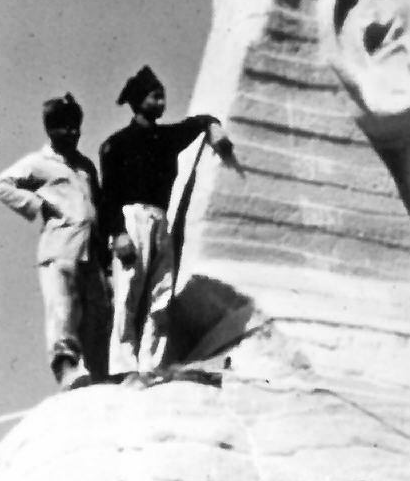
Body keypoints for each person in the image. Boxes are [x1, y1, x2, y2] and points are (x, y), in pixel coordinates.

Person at [100, 67, 235, 381]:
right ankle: (124, 366)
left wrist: (214, 127)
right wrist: (118, 234)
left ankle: (153, 364)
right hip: (131, 218)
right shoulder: (116, 144)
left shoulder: (165, 138)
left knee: (160, 295)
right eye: (153, 94)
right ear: (137, 102)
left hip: (161, 219)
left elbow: (198, 122)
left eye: (161, 93)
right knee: (129, 294)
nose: (160, 99)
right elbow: (107, 196)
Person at [0, 94, 109, 389]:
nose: (72, 133)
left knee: (98, 313)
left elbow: (96, 204)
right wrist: (36, 204)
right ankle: (65, 367)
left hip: (90, 250)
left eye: (76, 127)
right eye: (65, 127)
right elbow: (3, 183)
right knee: (64, 308)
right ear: (50, 130)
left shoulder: (85, 166)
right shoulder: (39, 163)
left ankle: (98, 375)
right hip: (59, 247)